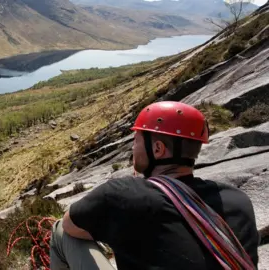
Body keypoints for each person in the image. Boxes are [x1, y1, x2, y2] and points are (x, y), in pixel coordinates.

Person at [49, 101, 260, 270]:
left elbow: (71, 226)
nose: (133, 148)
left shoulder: (121, 194)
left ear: (157, 149)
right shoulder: (238, 200)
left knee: (60, 231)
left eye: (137, 140)